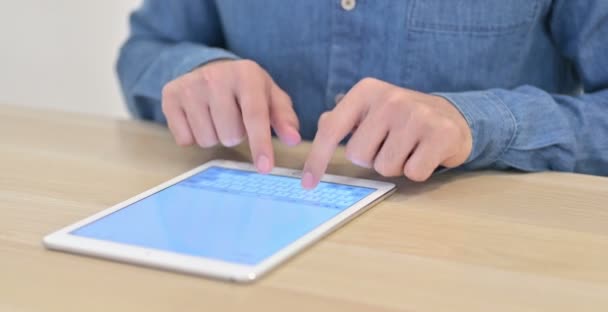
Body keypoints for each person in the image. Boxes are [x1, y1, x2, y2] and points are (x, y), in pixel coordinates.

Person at [116, 1, 608, 189]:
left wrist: (477, 123)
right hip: (248, 255)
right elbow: (147, 47)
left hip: (474, 272)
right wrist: (197, 71)